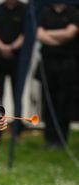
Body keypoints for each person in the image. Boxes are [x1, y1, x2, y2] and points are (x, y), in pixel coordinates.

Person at [37, 4, 79, 149]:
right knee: (48, 101)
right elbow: (39, 34)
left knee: (64, 102)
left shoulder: (73, 12)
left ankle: (61, 139)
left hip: (67, 63)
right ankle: (49, 138)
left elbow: (70, 34)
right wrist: (59, 39)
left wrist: (49, 34)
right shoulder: (45, 12)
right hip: (48, 62)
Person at [0, 0, 26, 136]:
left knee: (17, 94)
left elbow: (26, 32)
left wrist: (13, 46)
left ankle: (17, 131)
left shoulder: (24, 9)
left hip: (18, 60)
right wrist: (1, 46)